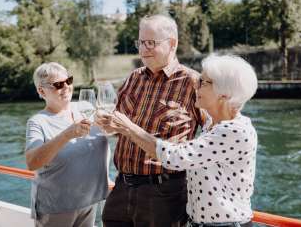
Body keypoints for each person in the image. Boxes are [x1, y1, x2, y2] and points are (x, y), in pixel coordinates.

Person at [97, 54, 258, 227]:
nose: (196, 86)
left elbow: (176, 157)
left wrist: (128, 127)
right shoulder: (212, 123)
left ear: (224, 94)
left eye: (203, 82)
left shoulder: (234, 131)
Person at [98, 14, 202, 227]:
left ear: (172, 44)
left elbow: (213, 133)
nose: (143, 49)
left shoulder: (193, 82)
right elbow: (118, 127)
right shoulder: (133, 78)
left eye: (151, 43)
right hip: (121, 187)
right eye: (141, 42)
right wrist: (108, 126)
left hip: (164, 194)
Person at [26, 62, 109, 227]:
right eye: (57, 85)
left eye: (68, 81)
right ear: (41, 91)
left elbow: (109, 135)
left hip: (91, 200)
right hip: (57, 207)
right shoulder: (38, 122)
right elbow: (32, 162)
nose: (66, 87)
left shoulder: (87, 108)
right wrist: (67, 134)